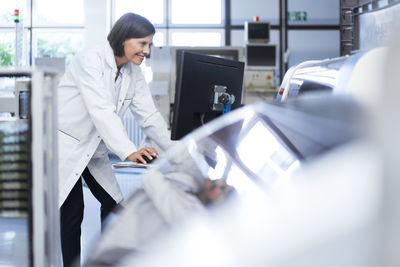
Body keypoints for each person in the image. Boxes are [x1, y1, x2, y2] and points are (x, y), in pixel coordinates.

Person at [57, 13, 172, 267]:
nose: (147, 51)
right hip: (67, 144)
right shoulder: (92, 58)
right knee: (73, 212)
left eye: (149, 45)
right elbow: (100, 110)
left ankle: (107, 262)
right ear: (123, 39)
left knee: (114, 203)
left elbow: (148, 114)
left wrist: (175, 149)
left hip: (93, 146)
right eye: (142, 44)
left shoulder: (133, 71)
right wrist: (130, 151)